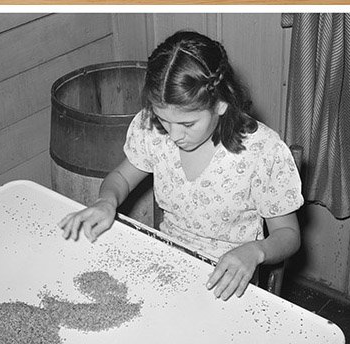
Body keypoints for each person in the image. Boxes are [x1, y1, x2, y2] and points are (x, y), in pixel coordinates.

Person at [58, 30, 303, 300]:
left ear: (221, 104)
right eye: (164, 119)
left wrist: (256, 251)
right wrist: (106, 201)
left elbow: (288, 234)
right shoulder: (153, 130)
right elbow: (122, 178)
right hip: (168, 264)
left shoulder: (261, 152)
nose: (173, 135)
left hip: (230, 280)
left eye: (187, 124)